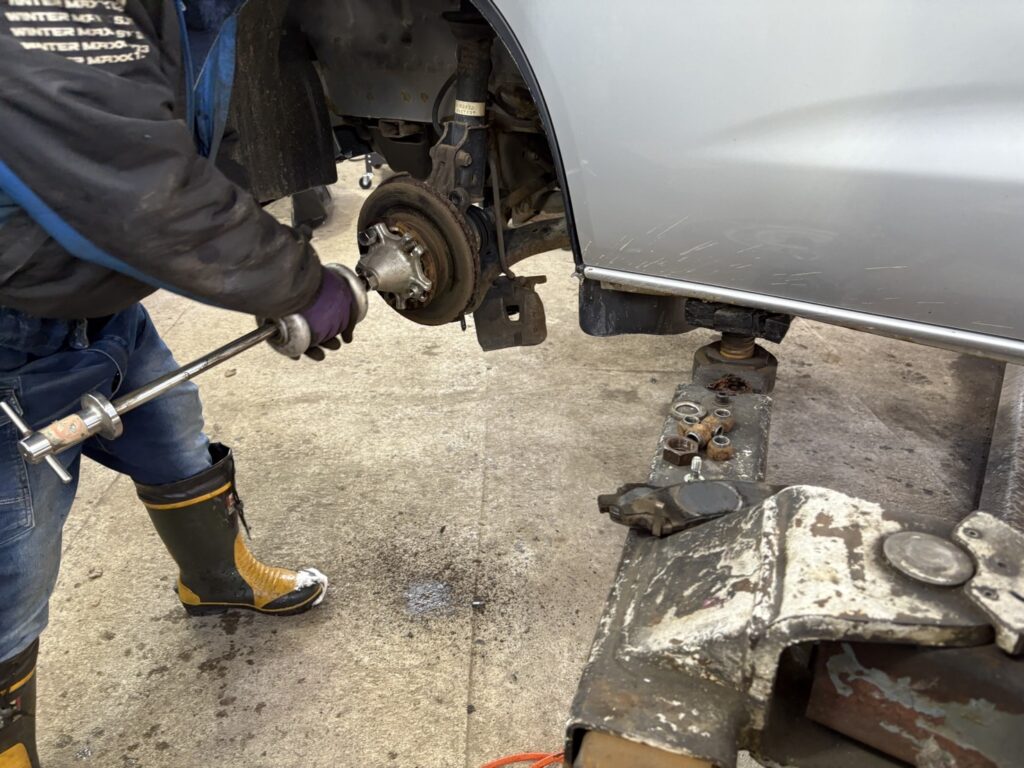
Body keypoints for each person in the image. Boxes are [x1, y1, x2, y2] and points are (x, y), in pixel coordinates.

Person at [0, 1, 365, 765]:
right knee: (14, 562)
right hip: (12, 330)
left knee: (173, 434)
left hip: (96, 301)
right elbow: (134, 188)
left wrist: (246, 266)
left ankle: (217, 577)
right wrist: (295, 283)